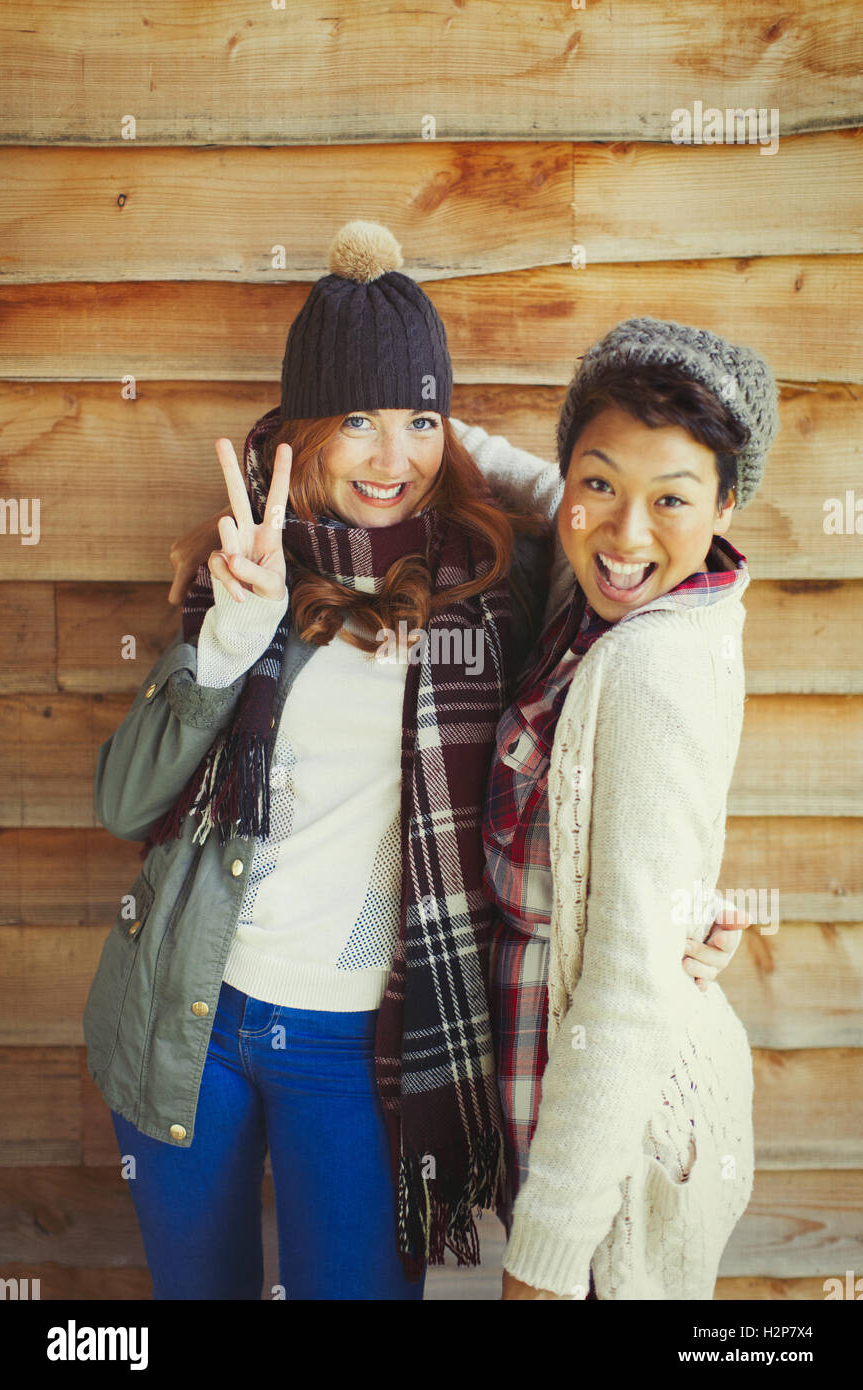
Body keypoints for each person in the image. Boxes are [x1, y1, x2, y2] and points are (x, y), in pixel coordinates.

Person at [90, 220, 745, 1301]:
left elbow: (605, 518)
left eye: (420, 420)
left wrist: (680, 904)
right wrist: (230, 631)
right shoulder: (253, 566)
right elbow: (124, 800)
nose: (393, 459)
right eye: (355, 420)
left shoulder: (506, 581)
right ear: (304, 431)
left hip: (362, 1052)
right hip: (188, 1015)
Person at [483, 317, 779, 1300]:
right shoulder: (618, 584)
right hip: (570, 1113)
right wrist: (435, 430)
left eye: (670, 500)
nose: (624, 533)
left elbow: (624, 986)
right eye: (597, 482)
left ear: (725, 504)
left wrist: (547, 1258)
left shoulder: (652, 665)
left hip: (620, 1156)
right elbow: (552, 492)